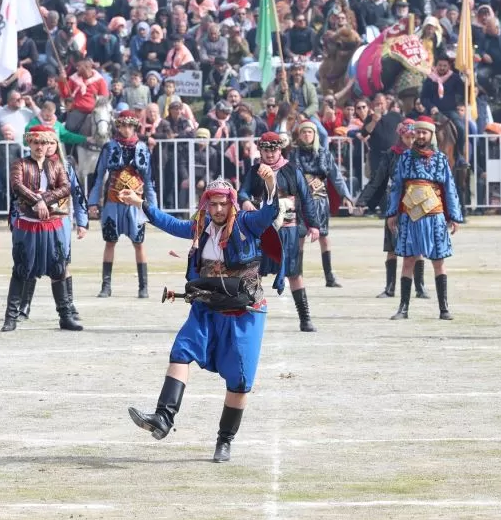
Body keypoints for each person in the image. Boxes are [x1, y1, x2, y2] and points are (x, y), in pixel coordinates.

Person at [123, 173, 281, 463]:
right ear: (205, 205)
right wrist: (140, 203)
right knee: (181, 351)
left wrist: (270, 187)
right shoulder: (201, 225)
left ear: (231, 203)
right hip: (207, 306)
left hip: (244, 311)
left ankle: (225, 440)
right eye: (213, 205)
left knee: (239, 380)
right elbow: (170, 223)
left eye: (222, 204)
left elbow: (271, 212)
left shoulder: (248, 223)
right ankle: (163, 418)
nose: (218, 210)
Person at [1, 125, 80, 332]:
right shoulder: (20, 164)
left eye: (44, 142)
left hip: (51, 223)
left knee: (58, 267)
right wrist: (37, 201)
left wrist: (43, 200)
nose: (40, 146)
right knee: (21, 267)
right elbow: (17, 186)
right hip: (27, 223)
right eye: (36, 142)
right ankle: (11, 316)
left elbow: (66, 187)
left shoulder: (57, 166)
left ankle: (65, 316)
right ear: (29, 143)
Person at [239, 131, 320, 332]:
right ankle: (250, 317)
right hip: (263, 232)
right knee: (254, 272)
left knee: (295, 273)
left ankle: (305, 318)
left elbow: (306, 197)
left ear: (280, 149)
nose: (270, 154)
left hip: (288, 231)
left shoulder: (292, 170)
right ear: (260, 150)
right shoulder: (254, 171)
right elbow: (242, 192)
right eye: (266, 150)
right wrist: (247, 201)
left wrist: (314, 225)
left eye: (274, 150)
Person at [385, 117, 464, 321]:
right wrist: (392, 212)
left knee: (438, 261)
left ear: (431, 135)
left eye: (424, 132)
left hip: (435, 216)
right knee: (408, 261)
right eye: (417, 132)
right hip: (410, 217)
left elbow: (449, 188)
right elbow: (396, 188)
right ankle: (403, 308)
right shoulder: (404, 158)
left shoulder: (440, 159)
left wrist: (454, 216)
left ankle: (444, 308)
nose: (420, 136)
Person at [87, 111, 156, 298]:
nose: (126, 129)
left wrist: (153, 209)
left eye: (129, 126)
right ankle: (106, 286)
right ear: (117, 126)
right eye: (122, 126)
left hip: (136, 203)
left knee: (138, 243)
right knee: (110, 242)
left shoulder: (142, 147)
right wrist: (93, 202)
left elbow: (149, 180)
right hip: (112, 201)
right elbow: (99, 176)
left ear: (134, 127)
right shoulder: (109, 147)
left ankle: (143, 286)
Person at [357, 119, 421, 299]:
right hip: (395, 203)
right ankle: (390, 288)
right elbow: (378, 180)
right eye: (407, 136)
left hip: (417, 204)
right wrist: (362, 201)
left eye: (413, 137)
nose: (410, 140)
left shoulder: (422, 154)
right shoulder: (391, 155)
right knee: (392, 246)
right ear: (400, 135)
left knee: (417, 246)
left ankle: (420, 287)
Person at [289, 121, 355, 287]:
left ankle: (329, 277)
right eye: (303, 132)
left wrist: (346, 195)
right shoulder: (293, 154)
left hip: (320, 200)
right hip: (301, 200)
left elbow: (336, 176)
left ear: (315, 134)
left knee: (324, 236)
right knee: (300, 237)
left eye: (310, 132)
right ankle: (298, 275)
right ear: (300, 135)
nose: (306, 135)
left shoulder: (324, 154)